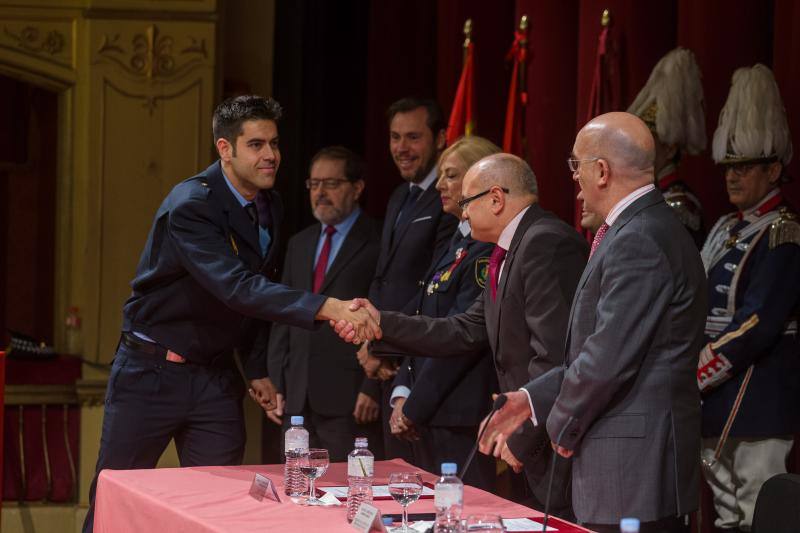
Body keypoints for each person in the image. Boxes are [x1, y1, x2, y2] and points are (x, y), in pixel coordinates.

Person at [83, 96, 379, 532]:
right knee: (115, 498)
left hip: (216, 379)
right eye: (256, 145)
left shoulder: (270, 205)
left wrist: (256, 366)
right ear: (225, 149)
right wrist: (328, 306)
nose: (271, 156)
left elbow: (255, 291)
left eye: (274, 144)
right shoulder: (191, 205)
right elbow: (237, 287)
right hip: (151, 374)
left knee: (220, 507)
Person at [477, 112, 707, 532]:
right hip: (624, 469)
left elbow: (607, 358)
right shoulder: (635, 230)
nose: (573, 179)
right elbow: (592, 350)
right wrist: (530, 400)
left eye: (575, 165)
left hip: (633, 469)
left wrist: (557, 428)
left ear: (601, 171)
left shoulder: (640, 238)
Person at [344, 153, 587, 516]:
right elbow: (461, 329)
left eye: (466, 203)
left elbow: (553, 358)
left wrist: (521, 434)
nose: (462, 213)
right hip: (522, 438)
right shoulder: (508, 249)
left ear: (495, 198)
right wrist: (381, 322)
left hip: (545, 440)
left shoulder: (543, 243)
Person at [698, 64, 800, 533]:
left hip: (758, 393)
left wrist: (702, 365)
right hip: (717, 398)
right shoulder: (724, 229)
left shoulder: (783, 232)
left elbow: (760, 320)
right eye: (730, 168)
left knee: (761, 508)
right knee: (726, 513)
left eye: (746, 167)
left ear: (773, 169)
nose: (734, 177)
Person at [386, 136, 500, 490]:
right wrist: (402, 389)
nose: (438, 184)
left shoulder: (486, 251)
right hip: (430, 412)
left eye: (450, 175)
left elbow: (460, 338)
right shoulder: (458, 243)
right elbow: (424, 318)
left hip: (460, 416)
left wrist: (414, 406)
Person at [265, 146, 383, 462]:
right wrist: (276, 380)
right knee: (298, 491)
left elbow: (386, 314)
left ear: (357, 188)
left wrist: (373, 386)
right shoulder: (299, 243)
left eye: (331, 184)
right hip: (296, 398)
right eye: (314, 184)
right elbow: (282, 314)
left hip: (349, 399)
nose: (320, 192)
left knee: (347, 493)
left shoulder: (379, 240)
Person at [365, 97, 459, 459]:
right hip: (387, 360)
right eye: (394, 137)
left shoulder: (448, 202)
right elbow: (382, 279)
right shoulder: (398, 197)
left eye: (413, 137)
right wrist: (370, 335)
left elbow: (433, 287)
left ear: (440, 138)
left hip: (420, 363)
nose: (401, 148)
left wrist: (381, 340)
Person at [628, 47, 707, 247]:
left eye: (648, 141)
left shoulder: (679, 205)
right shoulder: (651, 194)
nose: (640, 148)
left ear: (670, 149)